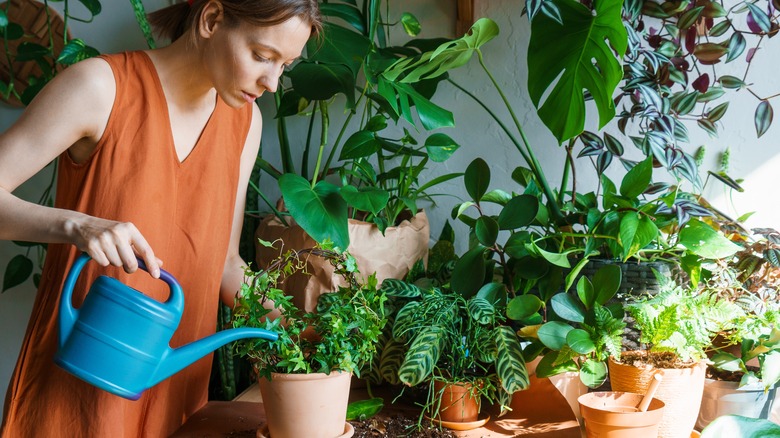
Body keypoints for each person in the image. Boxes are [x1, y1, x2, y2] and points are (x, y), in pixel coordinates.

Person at [0, 0, 320, 436]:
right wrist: (76, 225)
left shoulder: (246, 123)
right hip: (75, 402)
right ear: (211, 20)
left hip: (177, 404)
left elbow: (224, 265)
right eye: (262, 56)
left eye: (284, 65)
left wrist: (307, 334)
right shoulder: (99, 87)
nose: (272, 82)